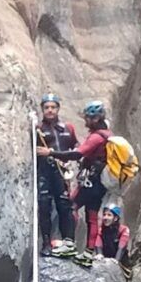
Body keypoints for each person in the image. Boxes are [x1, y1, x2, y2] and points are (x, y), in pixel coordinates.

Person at [59, 102, 117, 256]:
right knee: (92, 215)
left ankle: (69, 243)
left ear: (95, 118)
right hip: (100, 182)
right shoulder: (108, 134)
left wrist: (51, 153)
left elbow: (78, 154)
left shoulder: (97, 137)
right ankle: (88, 253)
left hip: (91, 180)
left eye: (88, 118)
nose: (85, 121)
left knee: (70, 206)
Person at [35, 94, 78, 252]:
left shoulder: (68, 128)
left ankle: (69, 241)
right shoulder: (38, 129)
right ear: (42, 109)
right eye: (46, 107)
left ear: (58, 108)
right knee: (44, 205)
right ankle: (46, 242)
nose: (50, 110)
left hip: (62, 172)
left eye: (53, 107)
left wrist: (69, 161)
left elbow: (75, 147)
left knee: (64, 205)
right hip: (44, 171)